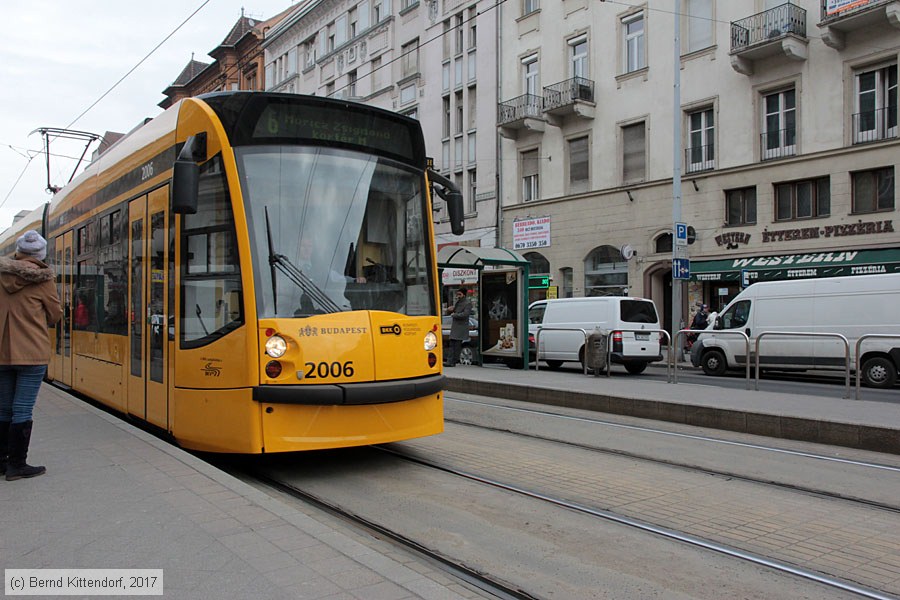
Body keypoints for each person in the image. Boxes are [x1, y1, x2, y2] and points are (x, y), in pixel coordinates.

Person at [0, 230, 62, 480]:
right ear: (40, 255)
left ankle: (1, 461)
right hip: (32, 353)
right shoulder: (43, 280)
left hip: (2, 353)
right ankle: (17, 465)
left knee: (3, 408)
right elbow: (55, 315)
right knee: (22, 408)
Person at [444, 288, 473, 367]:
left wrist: (455, 315)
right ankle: (450, 361)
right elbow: (455, 311)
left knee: (456, 345)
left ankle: (452, 361)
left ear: (464, 294)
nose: (458, 296)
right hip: (455, 326)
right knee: (452, 344)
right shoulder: (458, 302)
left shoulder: (467, 303)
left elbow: (465, 314)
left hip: (461, 327)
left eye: (460, 294)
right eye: (457, 294)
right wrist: (450, 310)